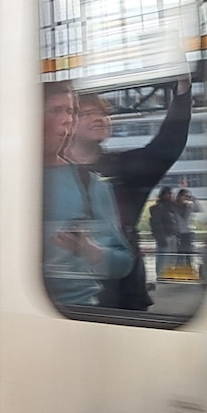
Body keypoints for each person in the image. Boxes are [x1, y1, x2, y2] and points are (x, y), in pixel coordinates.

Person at [64, 78, 191, 309]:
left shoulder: (126, 169)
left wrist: (182, 93)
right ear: (67, 123)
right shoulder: (48, 172)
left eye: (103, 113)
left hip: (124, 294)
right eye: (87, 113)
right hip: (66, 293)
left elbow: (167, 145)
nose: (100, 118)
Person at [41, 81, 133, 307]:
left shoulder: (90, 185)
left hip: (74, 313)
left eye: (71, 111)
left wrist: (91, 251)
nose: (67, 120)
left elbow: (123, 262)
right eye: (56, 110)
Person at [148, 186, 178, 281]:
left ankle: (168, 275)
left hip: (172, 235)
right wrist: (161, 237)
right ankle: (161, 276)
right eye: (169, 194)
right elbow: (157, 224)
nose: (170, 196)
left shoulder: (172, 207)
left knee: (171, 258)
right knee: (163, 257)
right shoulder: (157, 208)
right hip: (164, 236)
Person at [174, 187, 200, 268]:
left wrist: (193, 199)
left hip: (187, 232)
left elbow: (199, 209)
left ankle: (189, 268)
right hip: (176, 233)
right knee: (178, 253)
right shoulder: (173, 206)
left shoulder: (189, 206)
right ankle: (178, 268)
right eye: (183, 196)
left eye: (186, 196)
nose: (184, 198)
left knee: (188, 252)